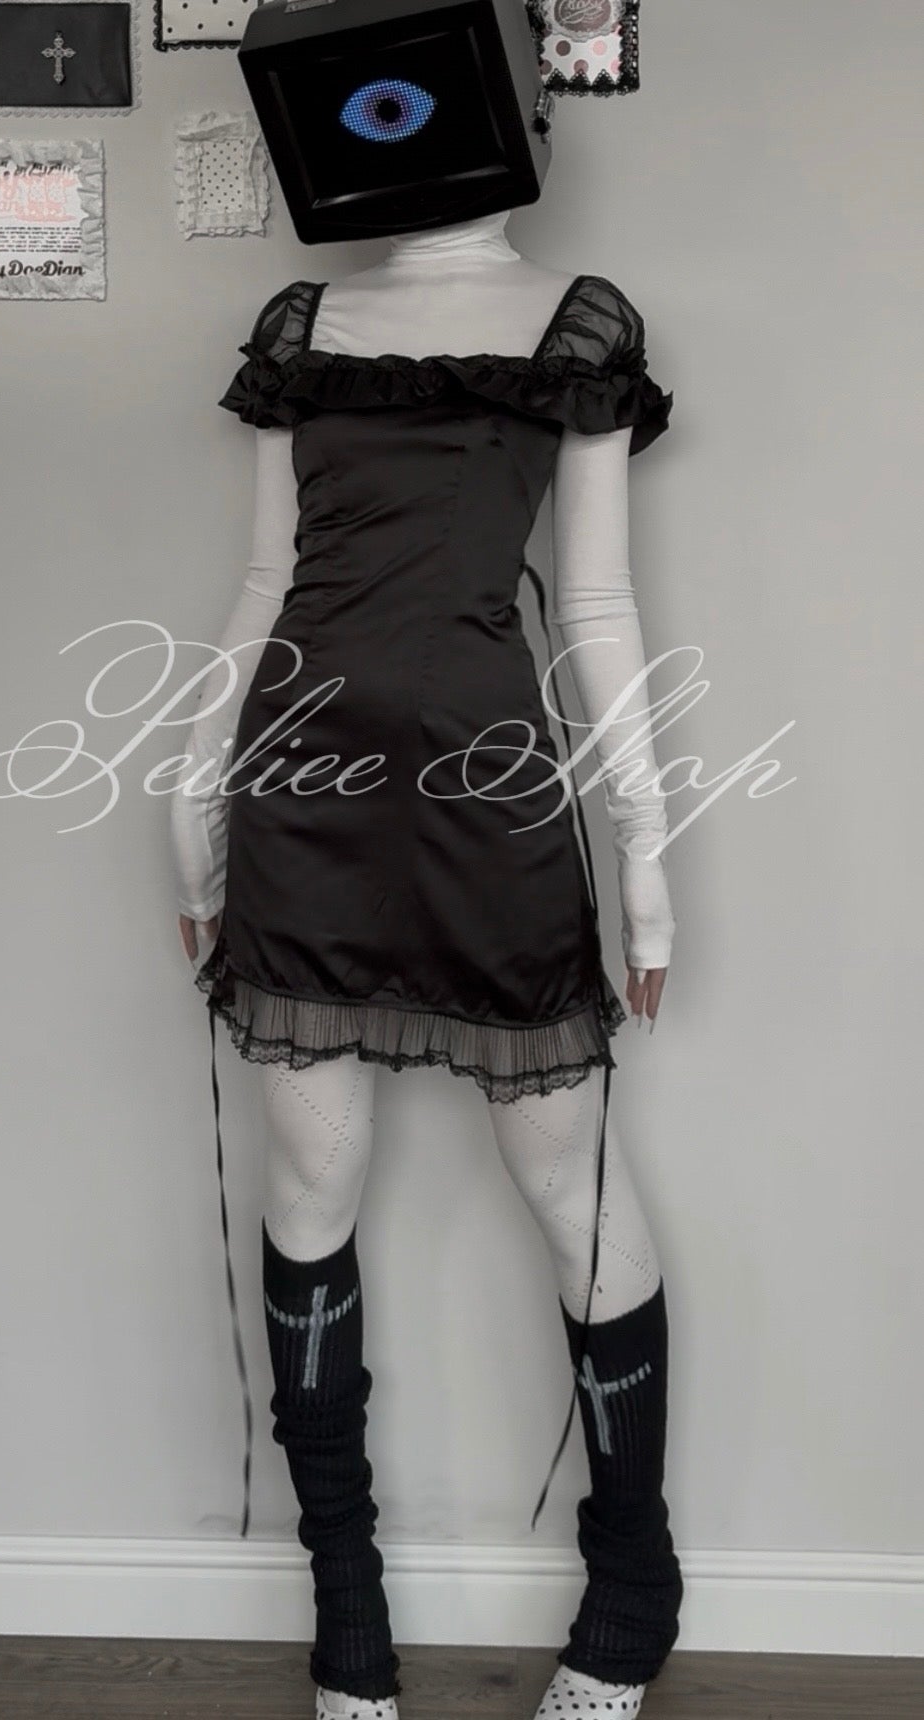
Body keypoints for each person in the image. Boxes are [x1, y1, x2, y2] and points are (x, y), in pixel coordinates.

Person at [168, 207, 682, 1720]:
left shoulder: (578, 325)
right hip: (299, 788)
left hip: (487, 783)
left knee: (570, 1185)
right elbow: (265, 583)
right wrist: (189, 797)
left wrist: (646, 857)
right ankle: (347, 1611)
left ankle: (632, 1587)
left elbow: (597, 601)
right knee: (310, 1183)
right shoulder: (303, 330)